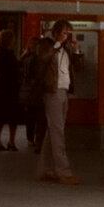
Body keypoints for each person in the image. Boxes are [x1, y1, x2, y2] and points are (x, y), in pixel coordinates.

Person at [36, 20, 84, 185]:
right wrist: (58, 44)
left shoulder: (67, 49)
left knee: (53, 131)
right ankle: (63, 171)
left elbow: (78, 67)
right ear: (56, 33)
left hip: (64, 90)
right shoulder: (46, 45)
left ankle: (46, 169)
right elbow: (43, 58)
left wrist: (76, 50)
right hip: (52, 90)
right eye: (64, 33)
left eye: (69, 33)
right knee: (58, 132)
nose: (67, 36)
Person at [0, 29, 22, 151]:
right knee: (12, 117)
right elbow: (12, 71)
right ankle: (11, 141)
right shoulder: (9, 54)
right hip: (10, 89)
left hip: (0, 89)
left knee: (0, 117)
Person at [20, 36, 45, 150]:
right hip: (35, 90)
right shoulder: (36, 58)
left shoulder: (24, 56)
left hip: (26, 89)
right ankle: (34, 138)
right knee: (37, 115)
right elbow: (36, 75)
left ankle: (30, 138)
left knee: (30, 115)